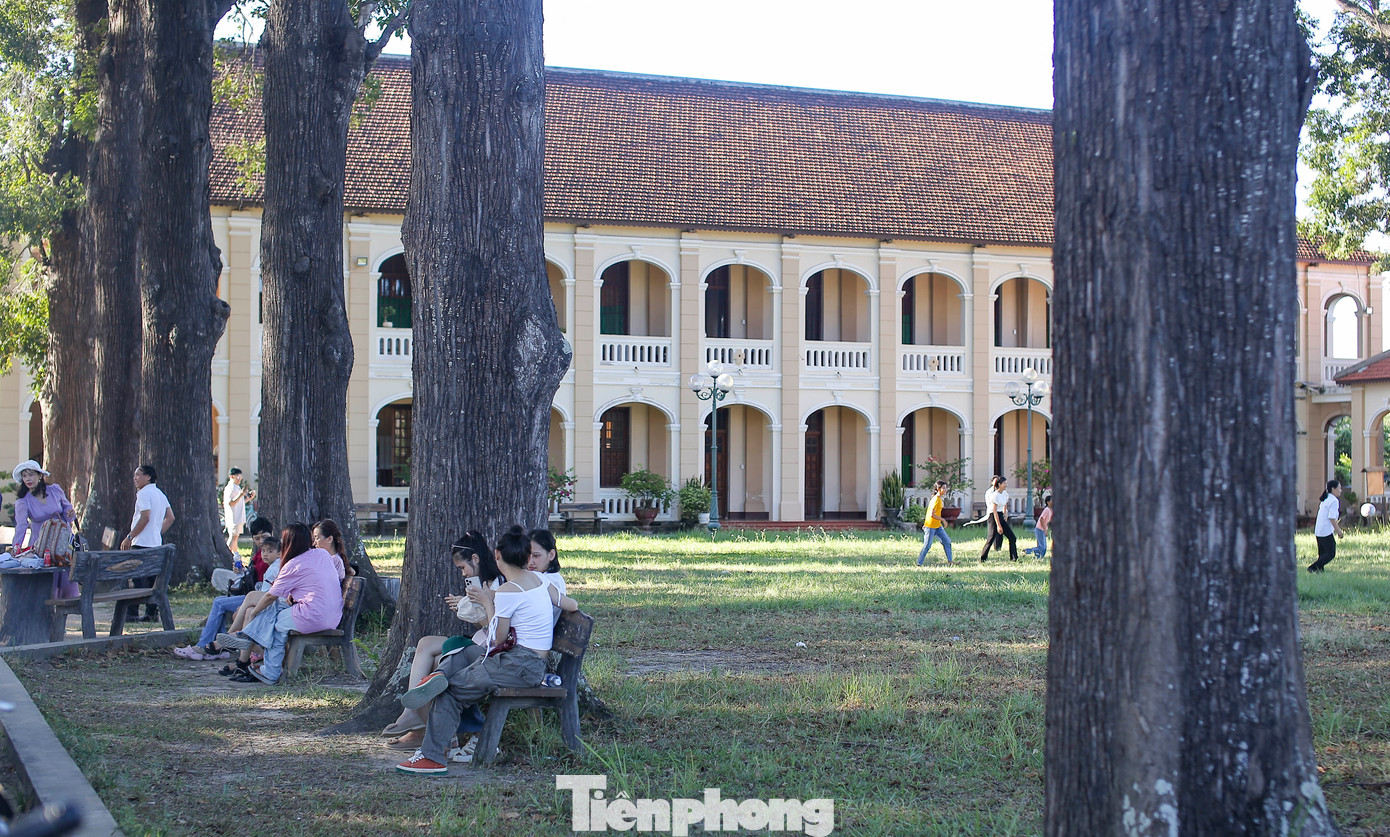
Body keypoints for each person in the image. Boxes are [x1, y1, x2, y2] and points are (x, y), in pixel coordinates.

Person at [396, 526, 578, 776]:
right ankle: (438, 676)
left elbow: (495, 640)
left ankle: (432, 758)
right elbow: (571, 603)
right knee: (462, 652)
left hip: (518, 666)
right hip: (529, 662)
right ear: (527, 557)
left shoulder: (507, 592)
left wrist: (487, 602)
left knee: (449, 692)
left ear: (497, 555)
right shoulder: (540, 580)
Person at [381, 531, 496, 750]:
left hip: (486, 648)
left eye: (463, 568)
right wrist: (467, 606)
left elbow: (494, 630)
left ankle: (425, 730)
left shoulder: (495, 585)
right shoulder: (481, 583)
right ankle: (411, 713)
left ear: (476, 559)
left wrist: (472, 608)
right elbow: (483, 626)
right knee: (425, 643)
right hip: (479, 641)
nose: (462, 574)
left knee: (438, 664)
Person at [219, 522, 343, 684]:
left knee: (275, 623)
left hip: (313, 616)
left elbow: (271, 596)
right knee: (277, 609)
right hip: (334, 615)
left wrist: (255, 613)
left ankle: (269, 670)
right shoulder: (322, 554)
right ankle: (247, 638)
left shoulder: (292, 565)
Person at [173, 531, 282, 660]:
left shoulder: (276, 565)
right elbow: (252, 579)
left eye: (264, 537)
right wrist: (242, 571)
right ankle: (219, 644)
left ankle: (211, 645)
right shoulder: (259, 556)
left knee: (223, 604)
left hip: (260, 598)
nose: (260, 542)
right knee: (222, 602)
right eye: (257, 539)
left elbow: (268, 591)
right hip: (252, 595)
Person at [12, 460, 80, 598]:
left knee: (65, 580)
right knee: (45, 588)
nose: (28, 479)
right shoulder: (23, 501)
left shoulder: (54, 490)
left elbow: (67, 509)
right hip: (41, 546)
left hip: (62, 543)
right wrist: (16, 547)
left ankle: (63, 613)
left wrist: (70, 513)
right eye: (24, 476)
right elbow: (21, 526)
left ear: (40, 476)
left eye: (31, 474)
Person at [121, 464, 174, 621]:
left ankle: (132, 613)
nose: (135, 478)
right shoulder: (159, 493)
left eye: (138, 475)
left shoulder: (143, 494)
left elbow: (145, 517)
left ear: (148, 477)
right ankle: (151, 613)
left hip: (141, 542)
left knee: (136, 578)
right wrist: (157, 532)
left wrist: (129, 537)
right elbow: (170, 517)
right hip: (155, 543)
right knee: (151, 580)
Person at [977, 475, 1018, 563]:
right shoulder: (994, 495)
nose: (1006, 485)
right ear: (999, 484)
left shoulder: (1005, 493)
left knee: (1012, 538)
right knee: (991, 538)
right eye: (1004, 483)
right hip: (993, 517)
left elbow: (1005, 503)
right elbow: (994, 511)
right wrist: (999, 525)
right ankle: (982, 558)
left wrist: (1005, 514)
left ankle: (1014, 558)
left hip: (1001, 515)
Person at [1308, 479, 1345, 574]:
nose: (1341, 490)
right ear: (1333, 489)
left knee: (1322, 554)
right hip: (1325, 531)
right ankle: (1312, 568)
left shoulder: (1326, 499)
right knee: (1330, 553)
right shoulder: (1334, 501)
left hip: (1318, 531)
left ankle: (1319, 572)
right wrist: (1339, 532)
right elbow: (1332, 518)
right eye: (1339, 488)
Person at [915, 480, 954, 566]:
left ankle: (950, 561)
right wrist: (943, 520)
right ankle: (919, 563)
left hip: (938, 526)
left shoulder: (939, 499)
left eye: (946, 488)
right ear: (938, 489)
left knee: (947, 542)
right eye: (943, 488)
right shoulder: (936, 500)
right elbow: (932, 514)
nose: (946, 489)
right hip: (931, 526)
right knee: (927, 546)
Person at [222, 468, 254, 556]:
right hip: (233, 517)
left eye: (240, 476)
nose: (239, 479)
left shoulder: (237, 487)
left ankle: (235, 554)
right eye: (238, 477)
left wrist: (249, 498)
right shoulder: (230, 487)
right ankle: (227, 555)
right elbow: (230, 502)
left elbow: (239, 502)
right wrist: (241, 495)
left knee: (235, 537)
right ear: (232, 476)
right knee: (233, 537)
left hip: (239, 517)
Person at [1028, 495, 1053, 560]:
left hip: (1042, 529)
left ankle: (1039, 557)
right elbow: (1041, 519)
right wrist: (1045, 530)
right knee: (1042, 547)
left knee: (1043, 547)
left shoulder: (1050, 510)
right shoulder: (1047, 510)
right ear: (1048, 502)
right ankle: (1027, 551)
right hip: (1040, 529)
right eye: (1052, 500)